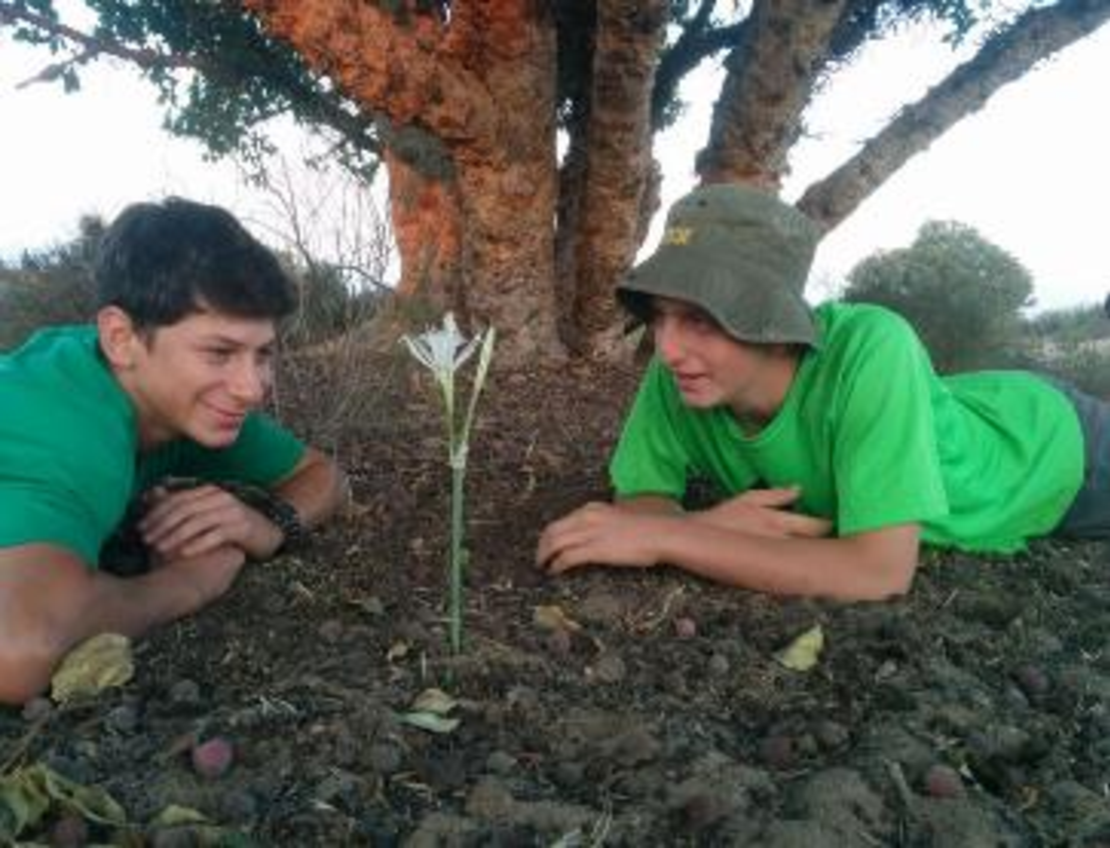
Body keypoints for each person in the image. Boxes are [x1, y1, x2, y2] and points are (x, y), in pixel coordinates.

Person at [537, 183, 1108, 600]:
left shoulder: (872, 345)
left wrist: (670, 536)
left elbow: (878, 573)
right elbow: (640, 501)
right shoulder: (683, 375)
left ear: (774, 329)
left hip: (1053, 451)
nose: (667, 349)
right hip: (970, 408)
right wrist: (694, 525)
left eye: (701, 320)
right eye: (661, 316)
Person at [0, 198, 348, 705]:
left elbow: (321, 474)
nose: (252, 388)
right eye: (219, 353)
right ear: (121, 338)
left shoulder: (179, 404)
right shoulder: (70, 428)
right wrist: (188, 583)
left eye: (262, 354)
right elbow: (19, 648)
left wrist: (271, 525)